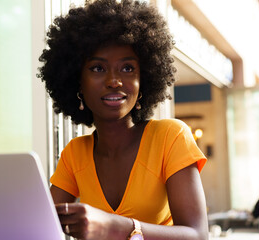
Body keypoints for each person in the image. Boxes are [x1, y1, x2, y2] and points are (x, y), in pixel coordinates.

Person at [38, 0, 208, 239]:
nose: (114, 81)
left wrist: (117, 227)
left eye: (127, 68)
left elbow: (198, 235)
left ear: (144, 79)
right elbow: (39, 225)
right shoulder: (75, 154)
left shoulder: (170, 136)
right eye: (98, 68)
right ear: (77, 81)